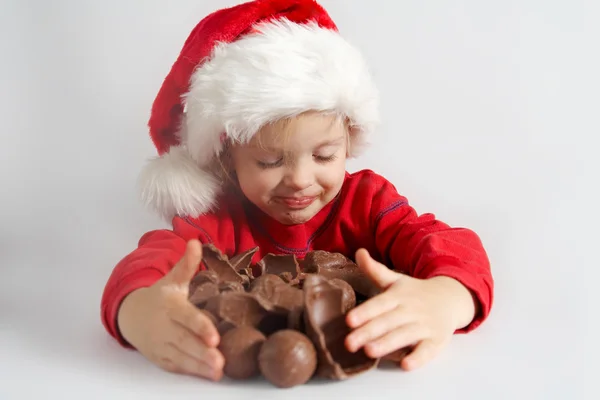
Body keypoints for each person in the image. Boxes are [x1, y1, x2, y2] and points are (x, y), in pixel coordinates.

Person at [100, 0, 494, 382]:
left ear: (349, 142)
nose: (300, 180)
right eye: (270, 162)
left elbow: (446, 244)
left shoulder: (367, 204)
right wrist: (137, 310)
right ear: (227, 159)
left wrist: (447, 298)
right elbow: (154, 257)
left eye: (324, 155)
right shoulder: (216, 221)